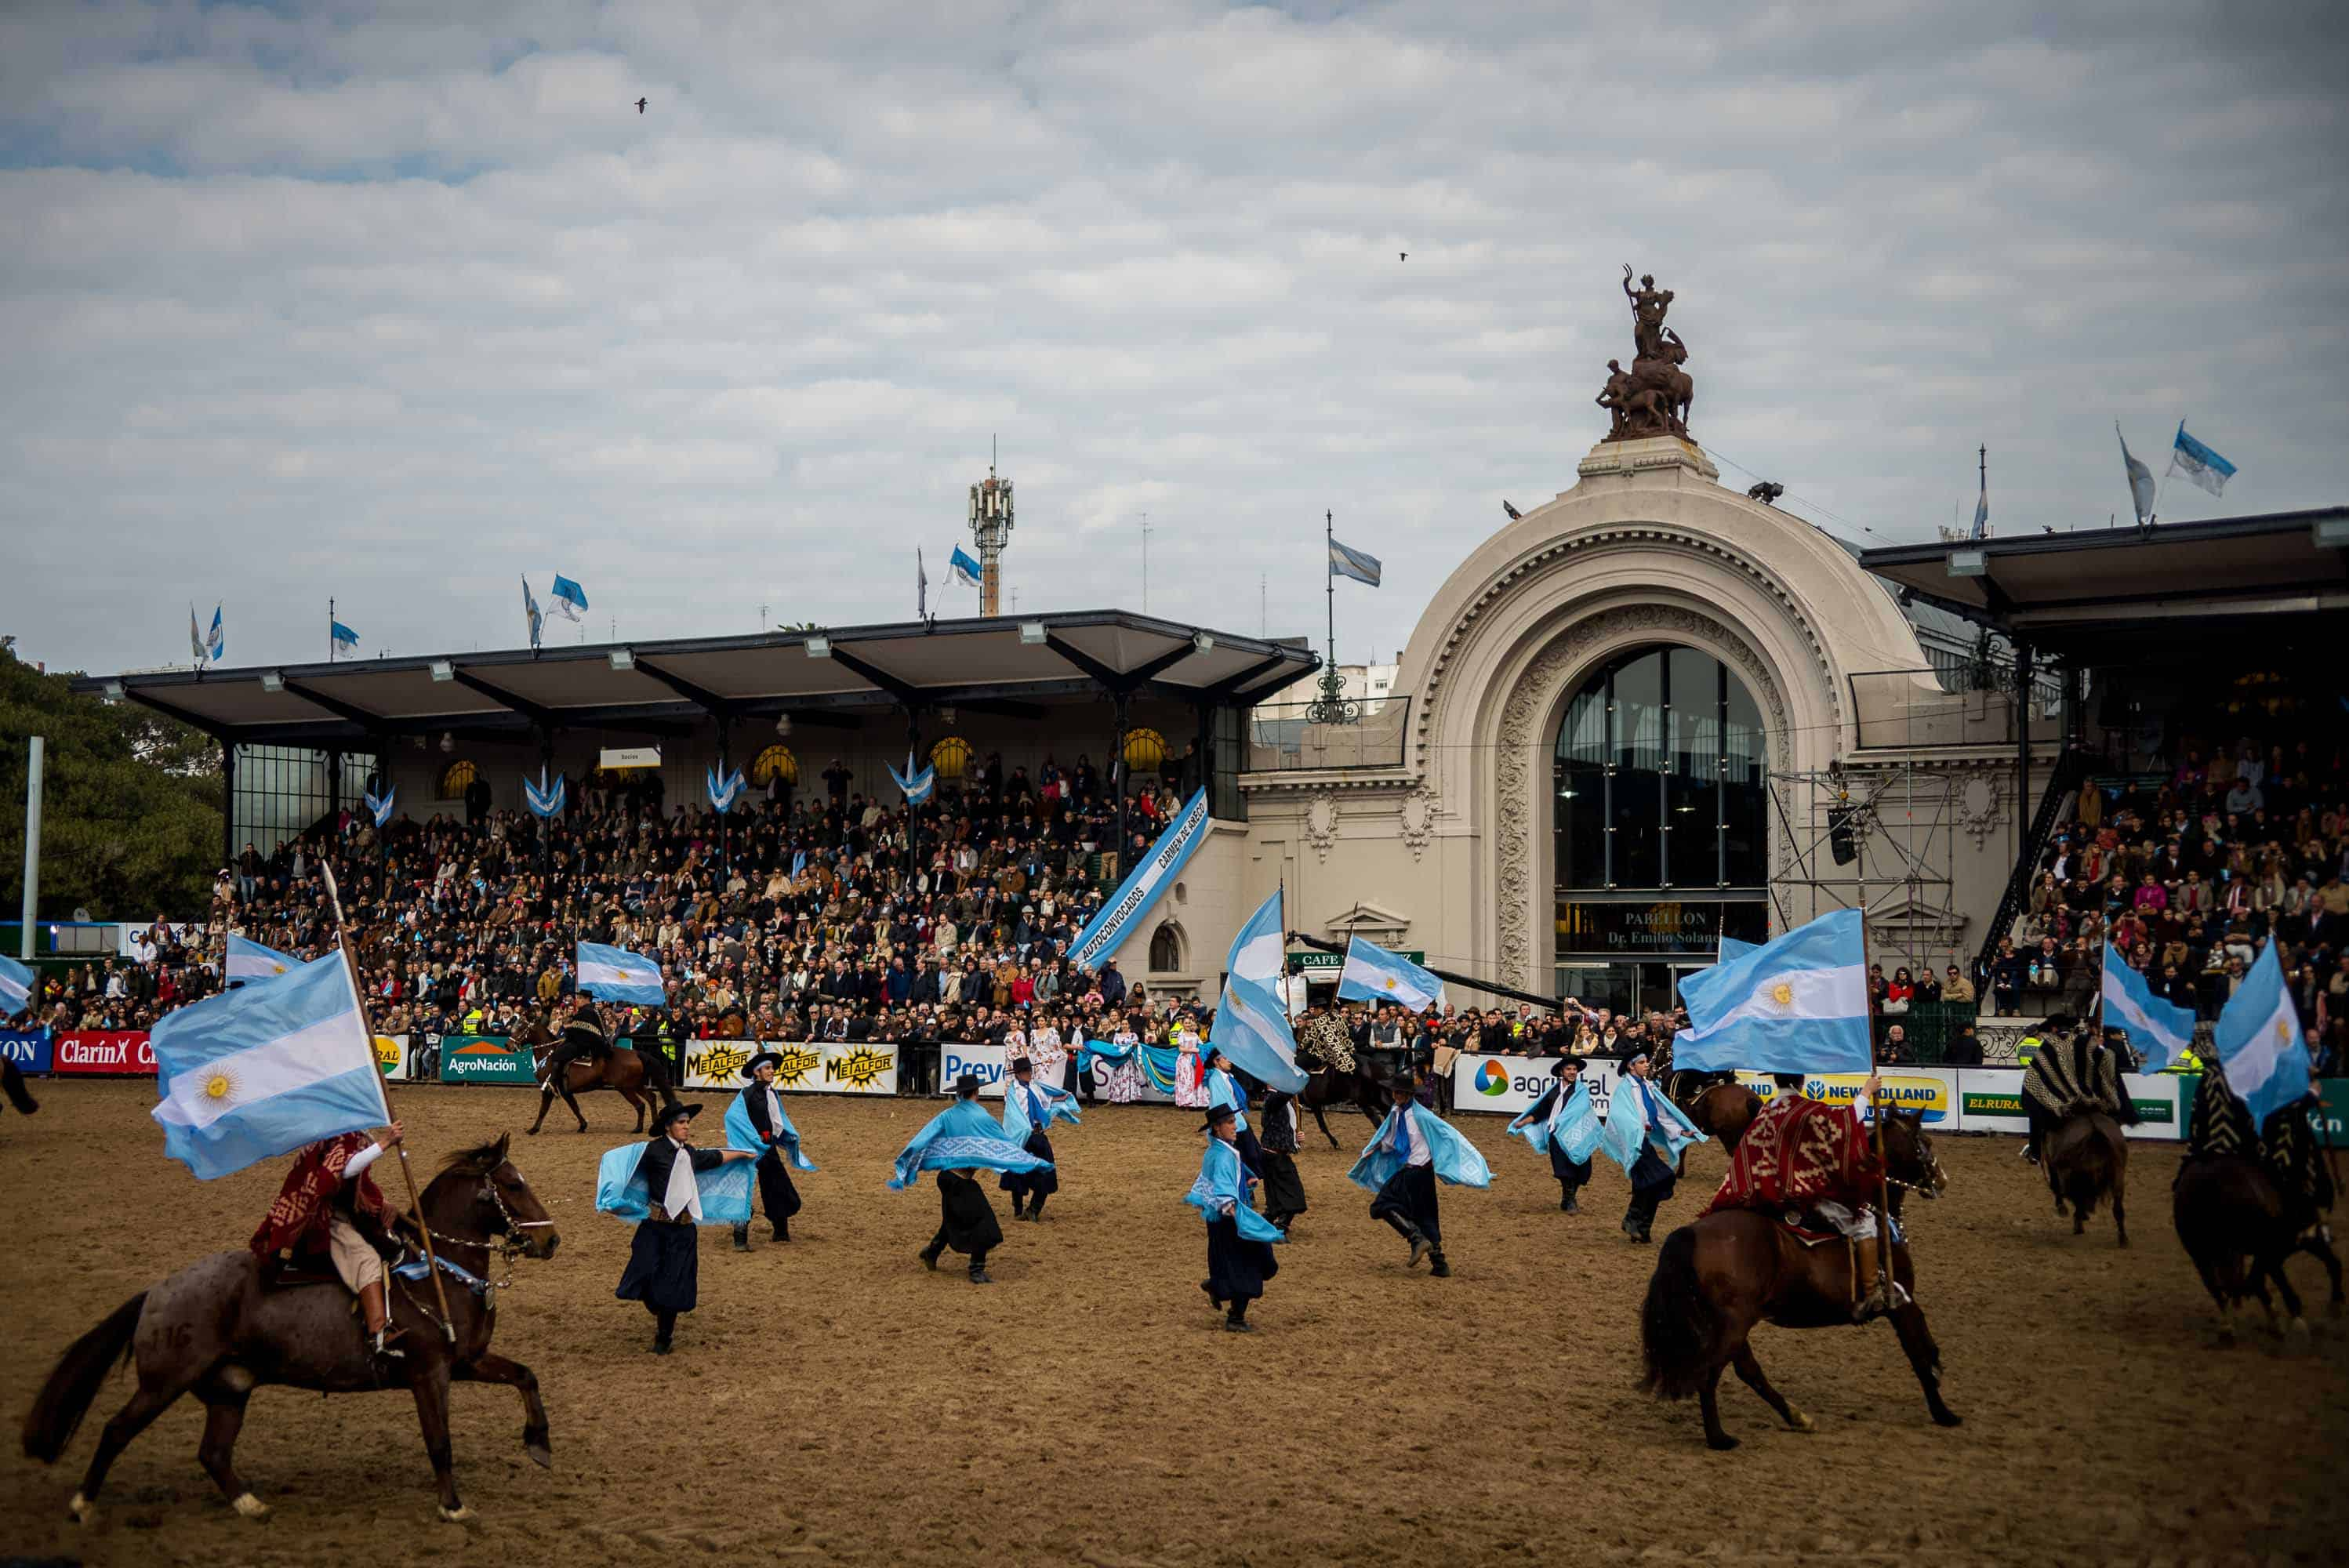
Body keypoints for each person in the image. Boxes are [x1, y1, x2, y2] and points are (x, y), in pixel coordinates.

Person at [1701, 1071, 1896, 1321]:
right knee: (1866, 1222)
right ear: (1800, 1082)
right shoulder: (1807, 1110)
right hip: (1803, 1195)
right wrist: (1867, 1091)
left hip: (1766, 1193)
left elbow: (1748, 1151)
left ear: (1776, 1081)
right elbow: (1845, 1123)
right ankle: (1871, 1293)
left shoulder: (1766, 1111)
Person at [250, 1122, 407, 1363]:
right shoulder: (341, 1133)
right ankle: (378, 1333)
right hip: (327, 1217)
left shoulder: (348, 1132)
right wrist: (384, 1143)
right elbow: (343, 1171)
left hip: (345, 1210)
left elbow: (356, 1182)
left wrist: (380, 1202)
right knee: (366, 1260)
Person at [610, 1102, 755, 1353]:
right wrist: (613, 1198)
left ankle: (664, 1336)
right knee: (643, 1274)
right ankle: (657, 1308)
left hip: (683, 1232)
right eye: (681, 1122)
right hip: (654, 1228)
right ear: (668, 1127)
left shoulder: (689, 1153)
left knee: (673, 1284)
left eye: (688, 1122)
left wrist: (742, 1154)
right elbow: (622, 1165)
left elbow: (716, 1157)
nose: (687, 1127)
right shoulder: (652, 1151)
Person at [892, 1073, 1051, 1283]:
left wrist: (907, 1163)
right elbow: (1004, 1143)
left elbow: (923, 1138)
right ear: (976, 1092)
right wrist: (1032, 1161)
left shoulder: (947, 1115)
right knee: (983, 1222)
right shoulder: (981, 1117)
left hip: (947, 1178)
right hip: (960, 1181)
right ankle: (976, 1269)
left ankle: (932, 1251)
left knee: (954, 1218)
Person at [1348, 1071, 1492, 1278]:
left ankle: (1416, 1238)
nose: (1396, 1095)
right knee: (1424, 1215)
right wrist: (1376, 1147)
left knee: (1383, 1205)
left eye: (1401, 1092)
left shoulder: (1423, 1116)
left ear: (1409, 1094)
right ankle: (1440, 1264)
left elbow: (1449, 1136)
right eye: (1395, 1091)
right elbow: (1391, 1138)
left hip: (1418, 1172)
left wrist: (1470, 1164)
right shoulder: (1396, 1112)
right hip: (1412, 1171)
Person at [1187, 1103, 1284, 1331]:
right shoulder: (1222, 1155)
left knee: (1241, 1262)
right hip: (1230, 1219)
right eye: (1229, 1122)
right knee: (1251, 1265)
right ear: (1217, 1128)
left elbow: (1217, 1179)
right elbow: (1222, 1189)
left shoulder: (1219, 1150)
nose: (1235, 1126)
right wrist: (1238, 1215)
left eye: (1234, 1121)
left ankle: (1218, 1286)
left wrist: (1246, 1181)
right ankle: (1235, 1318)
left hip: (1221, 1221)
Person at [1607, 1050, 1707, 1243]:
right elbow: (1619, 1116)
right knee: (1662, 1177)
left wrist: (1680, 1132)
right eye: (1642, 1062)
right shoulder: (1625, 1089)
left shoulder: (1649, 1087)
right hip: (1634, 1142)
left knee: (1646, 1184)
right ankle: (1633, 1220)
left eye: (1646, 1062)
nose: (1647, 1065)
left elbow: (1661, 1114)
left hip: (1643, 1140)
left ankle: (1641, 1228)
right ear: (1631, 1066)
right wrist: (1636, 1129)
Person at [2018, 1018, 2134, 1167]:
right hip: (2090, 1096)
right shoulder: (2086, 1043)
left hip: (2065, 1098)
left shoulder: (2049, 1047)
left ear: (2054, 1030)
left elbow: (2038, 1079)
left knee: (2036, 1116)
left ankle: (2036, 1152)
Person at [731, 1050, 812, 1250]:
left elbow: (778, 1120)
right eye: (767, 1068)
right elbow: (732, 1118)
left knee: (778, 1184)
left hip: (768, 1147)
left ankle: (781, 1232)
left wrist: (784, 1136)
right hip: (749, 1148)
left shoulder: (771, 1093)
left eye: (772, 1068)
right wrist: (751, 1137)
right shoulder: (746, 1094)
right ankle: (740, 1239)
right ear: (757, 1072)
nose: (772, 1071)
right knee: (744, 1188)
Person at [1507, 1054, 1597, 1213]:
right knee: (1563, 1168)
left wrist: (1564, 1120)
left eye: (1575, 1069)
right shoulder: (1553, 1091)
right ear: (1562, 1071)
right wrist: (1523, 1122)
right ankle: (1570, 1200)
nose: (1572, 1072)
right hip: (1556, 1135)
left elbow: (1582, 1110)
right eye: (1569, 1069)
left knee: (1582, 1168)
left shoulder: (1581, 1091)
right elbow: (1541, 1111)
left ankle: (1567, 1198)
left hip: (1577, 1134)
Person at [999, 1055, 1080, 1222]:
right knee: (1017, 1172)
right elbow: (1012, 1117)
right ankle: (1018, 1209)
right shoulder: (1012, 1092)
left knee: (1046, 1171)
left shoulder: (1035, 1088)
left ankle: (1034, 1208)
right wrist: (1021, 1131)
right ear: (1018, 1074)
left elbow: (1046, 1101)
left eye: (1030, 1070)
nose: (1029, 1073)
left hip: (1037, 1135)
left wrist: (1061, 1098)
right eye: (1025, 1071)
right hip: (1021, 1137)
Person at [1254, 1088, 1309, 1234]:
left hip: (1275, 1155)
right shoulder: (1273, 1099)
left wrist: (1295, 1138)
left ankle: (1267, 1222)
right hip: (1274, 1156)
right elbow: (1284, 1095)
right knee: (1293, 1193)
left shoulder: (1281, 1101)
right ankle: (1281, 1225)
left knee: (1276, 1196)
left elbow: (1284, 1126)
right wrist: (1294, 1084)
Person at [1202, 1047, 1262, 1174]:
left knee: (1250, 1158)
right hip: (1234, 1123)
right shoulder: (1217, 1080)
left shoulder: (1228, 1077)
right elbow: (1221, 1104)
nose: (1230, 1061)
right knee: (1244, 1159)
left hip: (1237, 1121)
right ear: (1216, 1062)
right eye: (1225, 1058)